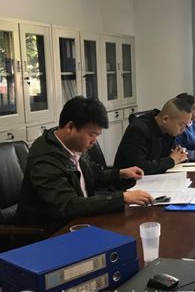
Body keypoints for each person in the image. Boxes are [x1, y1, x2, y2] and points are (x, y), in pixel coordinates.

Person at [17, 97, 154, 227]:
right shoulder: (45, 160)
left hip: (83, 218)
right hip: (55, 231)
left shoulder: (71, 145)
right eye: (91, 135)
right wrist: (121, 198)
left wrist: (121, 173)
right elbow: (67, 206)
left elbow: (92, 175)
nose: (94, 142)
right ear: (70, 127)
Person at [114, 98, 191, 175]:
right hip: (132, 180)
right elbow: (140, 168)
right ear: (165, 119)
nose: (183, 130)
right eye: (181, 125)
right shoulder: (138, 130)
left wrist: (181, 156)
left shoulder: (169, 131)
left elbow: (173, 156)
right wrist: (171, 160)